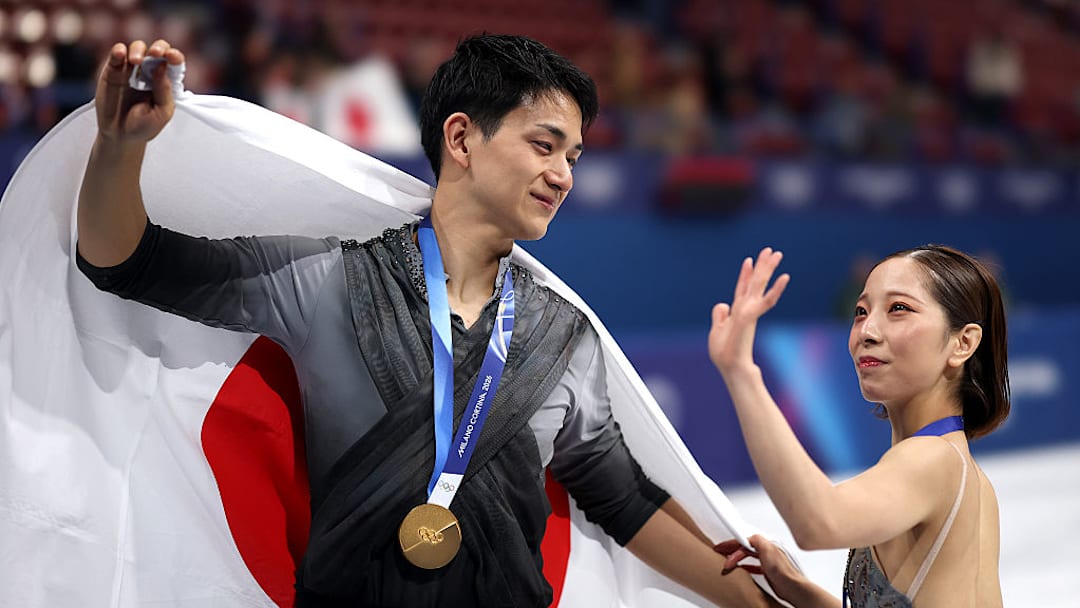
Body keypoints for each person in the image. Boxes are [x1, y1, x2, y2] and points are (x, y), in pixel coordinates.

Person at [75, 35, 780, 607]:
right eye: (544, 145)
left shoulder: (563, 337)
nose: (564, 174)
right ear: (462, 139)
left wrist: (765, 606)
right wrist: (119, 146)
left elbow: (625, 500)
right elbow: (124, 262)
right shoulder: (328, 281)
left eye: (573, 156)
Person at [709, 246, 1008, 607]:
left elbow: (819, 522)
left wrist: (741, 371)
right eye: (861, 311)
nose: (867, 330)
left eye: (899, 309)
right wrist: (798, 589)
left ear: (963, 343)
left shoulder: (935, 459)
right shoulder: (957, 467)